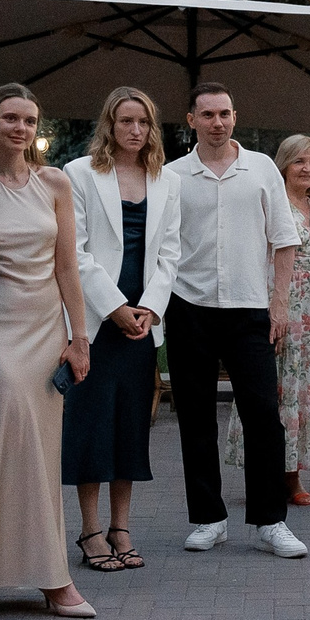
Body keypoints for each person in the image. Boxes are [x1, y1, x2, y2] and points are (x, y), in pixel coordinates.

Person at [0, 86, 94, 620]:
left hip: (43, 328)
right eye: (10, 117)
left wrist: (80, 337)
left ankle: (54, 578)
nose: (20, 127)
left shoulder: (54, 182)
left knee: (41, 452)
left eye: (30, 119)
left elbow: (68, 268)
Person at [167, 84, 306, 555]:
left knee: (264, 416)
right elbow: (161, 246)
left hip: (250, 308)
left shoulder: (262, 168)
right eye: (207, 114)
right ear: (191, 120)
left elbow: (284, 240)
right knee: (196, 415)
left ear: (235, 116)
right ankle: (209, 517)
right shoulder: (172, 175)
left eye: (225, 113)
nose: (217, 122)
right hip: (189, 306)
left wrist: (280, 304)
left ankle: (270, 522)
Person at [63, 86, 180, 573]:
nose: (136, 130)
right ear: (109, 125)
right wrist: (114, 307)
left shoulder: (165, 179)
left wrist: (150, 307)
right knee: (91, 425)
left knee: (131, 425)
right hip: (96, 318)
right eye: (126, 121)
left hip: (141, 325)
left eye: (144, 122)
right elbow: (75, 251)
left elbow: (171, 254)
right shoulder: (79, 174)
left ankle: (121, 527)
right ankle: (90, 530)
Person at [227, 134, 310, 508]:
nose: (307, 168)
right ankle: (270, 472)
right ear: (283, 166)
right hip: (279, 300)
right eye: (299, 162)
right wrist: (273, 306)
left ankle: (294, 472)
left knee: (302, 386)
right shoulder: (272, 203)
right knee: (272, 389)